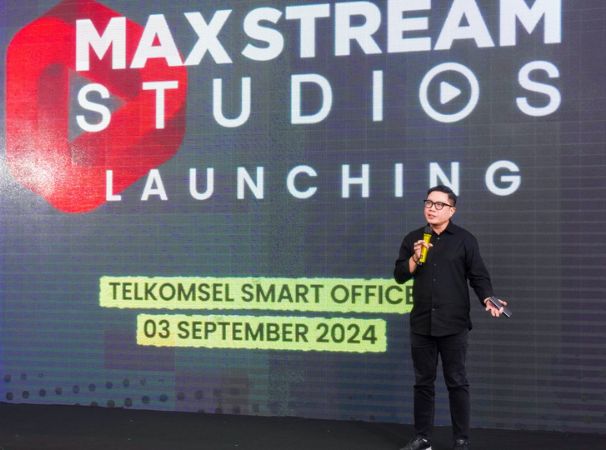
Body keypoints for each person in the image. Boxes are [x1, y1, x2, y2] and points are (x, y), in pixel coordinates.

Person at [393, 185, 507, 450]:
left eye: (439, 205)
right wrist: (414, 258)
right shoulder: (414, 238)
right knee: (423, 383)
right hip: (421, 323)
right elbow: (399, 275)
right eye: (428, 203)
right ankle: (423, 438)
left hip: (454, 324)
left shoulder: (465, 240)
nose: (431, 209)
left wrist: (487, 298)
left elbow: (478, 276)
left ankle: (461, 439)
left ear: (452, 210)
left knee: (457, 382)